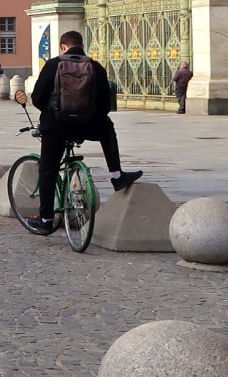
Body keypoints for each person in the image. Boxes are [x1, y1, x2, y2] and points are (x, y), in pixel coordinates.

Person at [24, 31, 143, 233]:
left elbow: (36, 98)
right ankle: (116, 175)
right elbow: (105, 104)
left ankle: (45, 220)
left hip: (56, 127)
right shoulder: (95, 67)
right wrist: (88, 117)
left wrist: (53, 112)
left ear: (63, 47)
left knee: (48, 170)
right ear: (81, 45)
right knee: (108, 128)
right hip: (87, 125)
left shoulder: (53, 65)